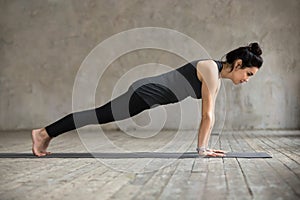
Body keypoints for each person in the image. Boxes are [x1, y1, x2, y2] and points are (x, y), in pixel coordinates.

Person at [31, 42, 263, 157]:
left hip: (145, 94)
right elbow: (207, 115)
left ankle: (46, 133)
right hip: (144, 93)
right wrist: (202, 150)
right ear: (239, 64)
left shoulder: (216, 77)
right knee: (98, 115)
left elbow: (209, 117)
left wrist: (205, 147)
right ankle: (43, 133)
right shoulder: (211, 69)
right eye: (248, 74)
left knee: (98, 114)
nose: (247, 80)